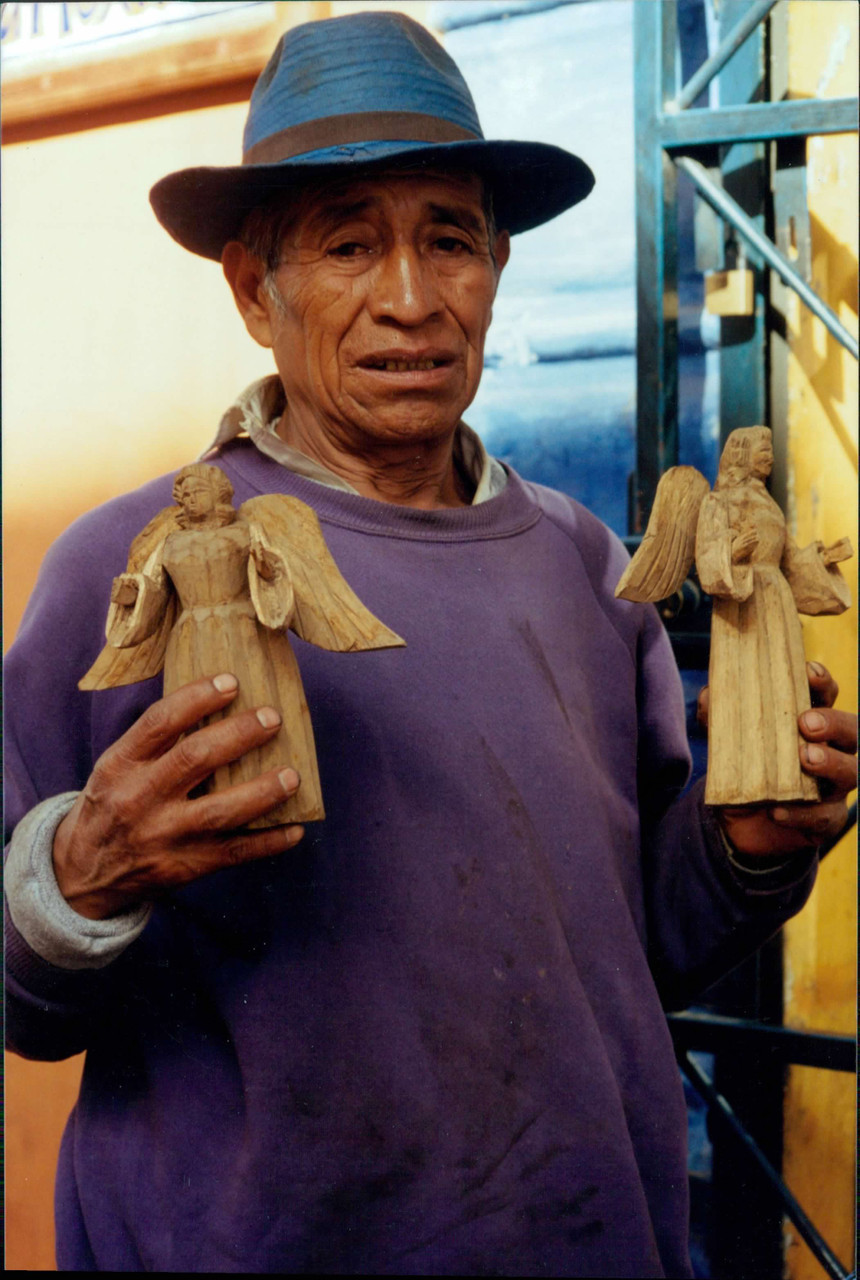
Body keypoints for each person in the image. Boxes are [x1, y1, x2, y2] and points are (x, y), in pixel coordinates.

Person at [4, 12, 856, 1276]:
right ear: (253, 290)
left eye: (448, 240)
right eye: (349, 243)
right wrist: (81, 874)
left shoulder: (584, 563)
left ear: (495, 267)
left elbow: (639, 946)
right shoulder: (121, 567)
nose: (410, 299)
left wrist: (745, 849)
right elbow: (25, 1002)